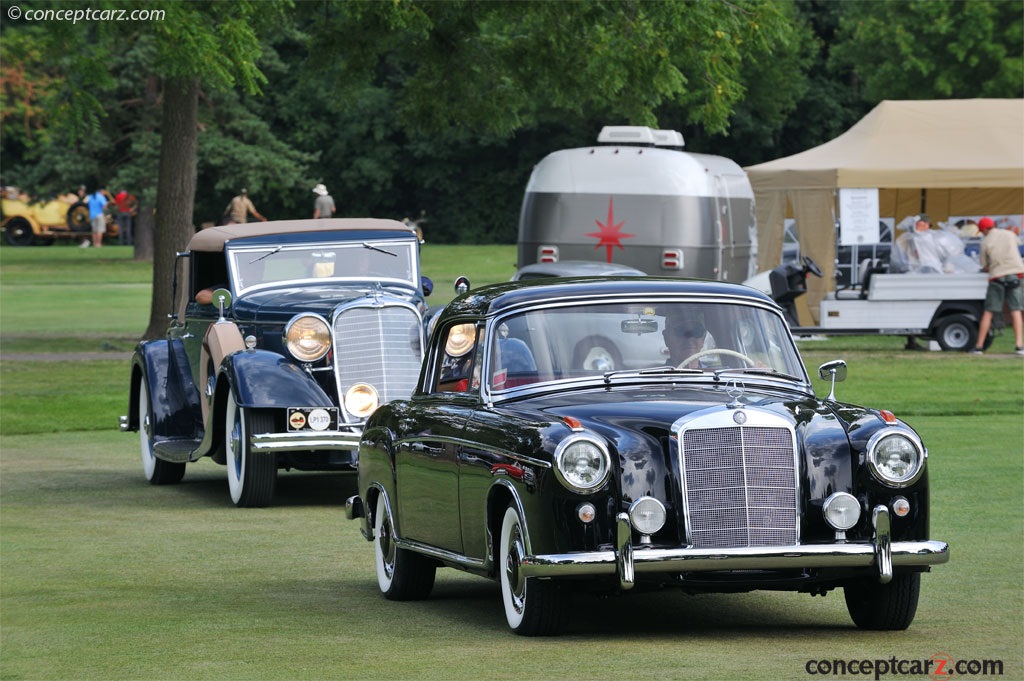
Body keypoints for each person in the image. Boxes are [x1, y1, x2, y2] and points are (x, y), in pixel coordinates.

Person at [969, 217, 1024, 356]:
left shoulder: (985, 242)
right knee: (1016, 310)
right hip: (1016, 275)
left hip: (997, 277)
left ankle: (979, 347)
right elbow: (1017, 246)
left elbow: (984, 265)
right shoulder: (1009, 234)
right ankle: (1019, 346)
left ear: (984, 230)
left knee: (989, 311)